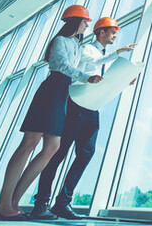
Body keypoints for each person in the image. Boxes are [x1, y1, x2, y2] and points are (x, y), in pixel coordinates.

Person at [0, 5, 101, 221]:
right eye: (85, 21)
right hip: (52, 90)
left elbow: (93, 62)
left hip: (62, 95)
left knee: (52, 147)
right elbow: (61, 66)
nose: (88, 25)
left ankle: (13, 203)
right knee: (29, 144)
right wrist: (86, 78)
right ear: (75, 21)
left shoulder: (77, 45)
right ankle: (3, 206)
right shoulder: (59, 41)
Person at [30, 17, 136, 220]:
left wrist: (122, 80)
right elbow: (85, 70)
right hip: (77, 104)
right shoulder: (87, 49)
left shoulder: (101, 54)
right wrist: (118, 53)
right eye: (113, 32)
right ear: (101, 32)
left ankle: (62, 203)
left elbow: (101, 81)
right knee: (59, 154)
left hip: (92, 106)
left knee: (86, 153)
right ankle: (41, 201)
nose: (115, 36)